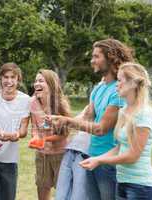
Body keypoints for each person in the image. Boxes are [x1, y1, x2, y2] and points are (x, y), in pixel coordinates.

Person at [50, 39, 134, 200]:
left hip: (109, 162)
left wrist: (67, 121)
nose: (92, 61)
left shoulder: (119, 91)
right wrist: (60, 122)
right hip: (92, 157)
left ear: (110, 58)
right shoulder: (99, 88)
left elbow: (101, 129)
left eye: (96, 57)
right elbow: (87, 117)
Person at [80, 62, 152, 200]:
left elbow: (132, 156)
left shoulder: (144, 114)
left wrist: (100, 162)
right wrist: (97, 158)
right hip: (122, 183)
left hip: (141, 188)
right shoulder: (124, 111)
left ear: (133, 84)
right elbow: (120, 147)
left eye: (120, 80)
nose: (117, 84)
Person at [0, 62, 30, 200]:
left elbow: (23, 131)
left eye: (12, 77)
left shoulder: (25, 100)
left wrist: (15, 135)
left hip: (10, 161)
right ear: (0, 79)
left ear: (18, 79)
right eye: (6, 77)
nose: (9, 81)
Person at [29, 69, 71, 200]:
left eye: (41, 81)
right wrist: (35, 137)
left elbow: (64, 134)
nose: (36, 84)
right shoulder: (33, 102)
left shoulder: (60, 104)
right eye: (36, 81)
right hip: (42, 155)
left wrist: (44, 139)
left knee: (63, 193)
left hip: (60, 154)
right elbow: (35, 126)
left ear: (51, 84)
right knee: (42, 189)